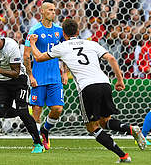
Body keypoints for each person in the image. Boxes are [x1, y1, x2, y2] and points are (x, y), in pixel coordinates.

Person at [29, 19, 146, 162]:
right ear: (78, 32)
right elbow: (112, 58)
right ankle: (131, 128)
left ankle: (123, 155)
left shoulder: (62, 46)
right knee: (104, 121)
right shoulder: (91, 43)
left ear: (63, 33)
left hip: (88, 87)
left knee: (92, 127)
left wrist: (33, 43)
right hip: (105, 83)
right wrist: (120, 80)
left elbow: (38, 57)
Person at [0, 30, 43, 153]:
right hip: (1, 82)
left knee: (23, 111)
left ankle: (38, 143)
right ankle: (23, 112)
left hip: (18, 80)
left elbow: (15, 73)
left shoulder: (11, 46)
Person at [23, 0, 68, 150]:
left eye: (54, 10)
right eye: (49, 10)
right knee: (36, 111)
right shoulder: (33, 30)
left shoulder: (59, 31)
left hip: (55, 76)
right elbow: (26, 55)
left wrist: (65, 72)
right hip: (39, 76)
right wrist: (30, 76)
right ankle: (37, 143)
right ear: (41, 11)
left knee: (57, 109)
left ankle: (45, 130)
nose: (53, 13)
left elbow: (66, 51)